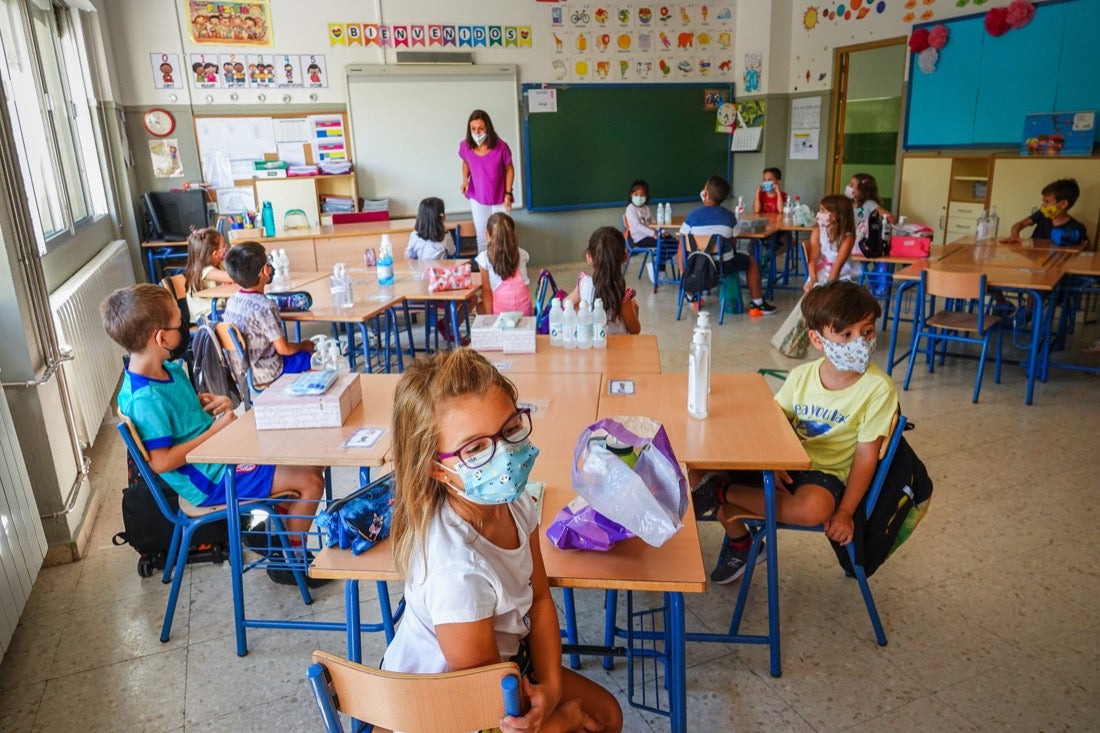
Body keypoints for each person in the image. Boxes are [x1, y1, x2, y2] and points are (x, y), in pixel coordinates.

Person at [382, 348, 623, 733]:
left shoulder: (514, 501)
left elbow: (540, 596)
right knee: (591, 720)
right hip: (443, 707)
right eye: (475, 448)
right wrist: (565, 718)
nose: (506, 456)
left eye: (510, 430)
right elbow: (486, 713)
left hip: (504, 667)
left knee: (607, 715)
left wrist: (553, 689)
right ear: (438, 470)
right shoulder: (456, 573)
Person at [100, 284, 327, 586]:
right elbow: (162, 462)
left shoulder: (169, 369)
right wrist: (216, 431)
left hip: (220, 454)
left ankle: (276, 534)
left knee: (313, 455)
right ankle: (290, 561)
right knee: (311, 481)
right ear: (161, 337)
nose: (183, 326)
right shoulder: (146, 399)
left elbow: (187, 418)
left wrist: (215, 408)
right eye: (176, 322)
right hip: (209, 478)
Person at [692, 281, 898, 583]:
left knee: (814, 509)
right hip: (783, 464)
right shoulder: (802, 376)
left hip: (824, 475)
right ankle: (742, 540)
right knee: (695, 464)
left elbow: (867, 457)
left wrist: (845, 512)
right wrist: (771, 460)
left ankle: (721, 493)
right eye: (846, 334)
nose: (861, 343)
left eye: (867, 332)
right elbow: (774, 420)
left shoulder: (878, 389)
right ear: (817, 339)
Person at [680, 174, 777, 315]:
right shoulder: (729, 217)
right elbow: (733, 242)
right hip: (722, 266)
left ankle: (690, 296)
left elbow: (682, 245)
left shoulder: (692, 216)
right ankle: (758, 303)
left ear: (705, 193)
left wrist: (683, 270)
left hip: (695, 265)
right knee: (750, 261)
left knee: (690, 263)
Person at [222, 241, 313, 386]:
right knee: (316, 358)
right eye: (269, 264)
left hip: (240, 372)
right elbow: (284, 349)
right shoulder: (266, 307)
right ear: (264, 271)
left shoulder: (232, 300)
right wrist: (303, 346)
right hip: (266, 372)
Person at [565, 227, 641, 335]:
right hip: (619, 349)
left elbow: (566, 304)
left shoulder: (583, 284)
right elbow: (635, 330)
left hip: (587, 346)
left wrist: (581, 308)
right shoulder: (622, 294)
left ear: (589, 257)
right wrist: (633, 308)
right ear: (625, 257)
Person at [459, 109, 514, 252]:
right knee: (482, 238)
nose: (477, 133)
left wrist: (508, 193)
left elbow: (509, 169)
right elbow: (466, 162)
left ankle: (503, 270)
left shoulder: (501, 147)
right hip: (478, 197)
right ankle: (485, 271)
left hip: (500, 197)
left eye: (481, 129)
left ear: (488, 128)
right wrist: (465, 180)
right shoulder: (465, 146)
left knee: (502, 237)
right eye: (473, 129)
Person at [1001, 178, 1089, 247]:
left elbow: (1086, 254)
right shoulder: (1042, 214)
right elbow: (1019, 224)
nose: (1042, 205)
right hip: (1034, 263)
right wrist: (1014, 235)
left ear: (1063, 204)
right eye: (1043, 201)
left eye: (1047, 201)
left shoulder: (1077, 228)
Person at [475, 213, 533, 316]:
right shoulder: (522, 254)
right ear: (513, 234)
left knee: (479, 307)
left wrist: (490, 317)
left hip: (500, 313)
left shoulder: (484, 258)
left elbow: (486, 291)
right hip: (525, 312)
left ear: (486, 235)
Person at [804, 194, 858, 291]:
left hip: (842, 272)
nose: (819, 213)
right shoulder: (817, 232)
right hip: (822, 269)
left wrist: (826, 290)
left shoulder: (847, 238)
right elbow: (813, 258)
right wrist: (813, 278)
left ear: (835, 216)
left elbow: (837, 268)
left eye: (823, 210)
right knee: (811, 289)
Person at [183, 227, 234, 322]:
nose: (226, 247)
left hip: (220, 309)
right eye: (223, 246)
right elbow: (233, 277)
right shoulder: (203, 270)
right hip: (206, 316)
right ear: (215, 254)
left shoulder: (220, 264)